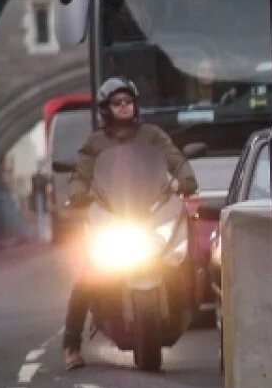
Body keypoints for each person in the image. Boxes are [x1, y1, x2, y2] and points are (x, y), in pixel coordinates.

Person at [62, 77, 199, 371]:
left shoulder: (152, 135)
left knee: (185, 261)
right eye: (117, 102)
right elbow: (81, 174)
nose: (124, 107)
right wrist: (77, 193)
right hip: (111, 214)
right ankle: (71, 344)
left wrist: (186, 178)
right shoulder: (94, 143)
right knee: (88, 279)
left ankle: (186, 308)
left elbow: (174, 158)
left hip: (149, 212)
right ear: (106, 108)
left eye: (128, 101)